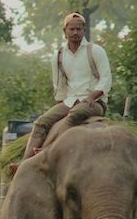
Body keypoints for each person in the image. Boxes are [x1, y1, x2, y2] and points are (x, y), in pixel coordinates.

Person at [24, 12, 112, 157]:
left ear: (84, 31)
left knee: (74, 115)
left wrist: (91, 96)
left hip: (93, 102)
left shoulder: (95, 51)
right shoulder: (58, 56)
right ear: (65, 32)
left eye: (79, 29)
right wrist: (60, 106)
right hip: (70, 101)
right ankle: (24, 162)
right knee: (41, 122)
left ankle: (49, 151)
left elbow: (106, 79)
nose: (75, 32)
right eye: (72, 29)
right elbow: (60, 88)